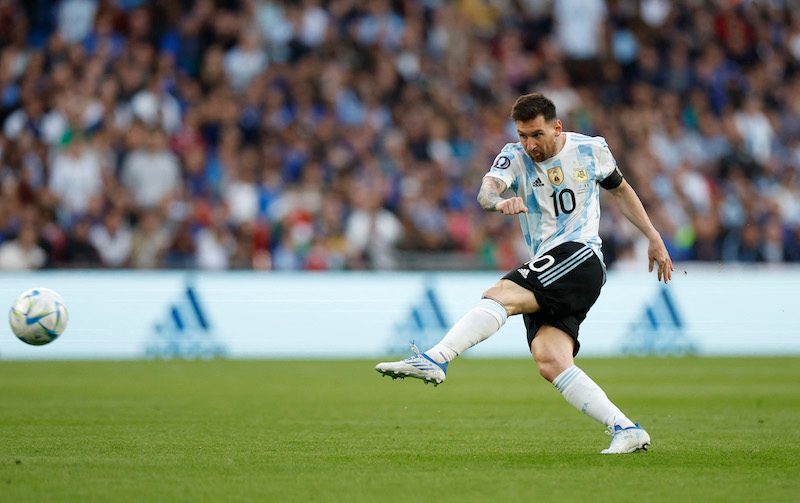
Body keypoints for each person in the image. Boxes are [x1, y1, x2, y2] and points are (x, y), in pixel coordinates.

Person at [375, 93, 673, 455]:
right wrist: (500, 202)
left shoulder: (591, 150)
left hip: (580, 256)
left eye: (536, 134)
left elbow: (621, 191)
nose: (529, 144)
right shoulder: (513, 156)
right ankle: (626, 429)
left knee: (501, 293)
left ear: (557, 127)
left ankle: (436, 358)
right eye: (522, 135)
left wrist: (653, 236)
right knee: (550, 360)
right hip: (552, 265)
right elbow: (486, 191)